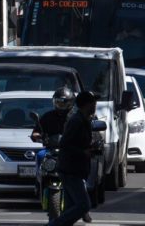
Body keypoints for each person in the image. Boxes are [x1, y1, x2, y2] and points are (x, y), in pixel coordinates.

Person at [48, 91, 97, 226]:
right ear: (87, 104)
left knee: (70, 209)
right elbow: (65, 144)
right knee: (83, 205)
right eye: (93, 102)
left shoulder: (84, 119)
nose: (95, 105)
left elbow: (77, 142)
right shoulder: (76, 121)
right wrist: (83, 152)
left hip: (75, 169)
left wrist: (90, 147)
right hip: (70, 169)